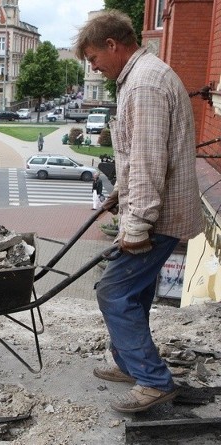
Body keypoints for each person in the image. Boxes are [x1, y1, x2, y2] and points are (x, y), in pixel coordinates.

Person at [75, 10, 203, 413]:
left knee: (113, 292)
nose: (93, 66)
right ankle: (131, 363)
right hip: (158, 209)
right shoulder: (143, 75)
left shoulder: (145, 84)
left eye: (94, 58)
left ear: (112, 45)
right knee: (136, 290)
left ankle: (152, 380)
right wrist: (119, 194)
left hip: (158, 217)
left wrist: (137, 225)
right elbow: (140, 158)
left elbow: (149, 161)